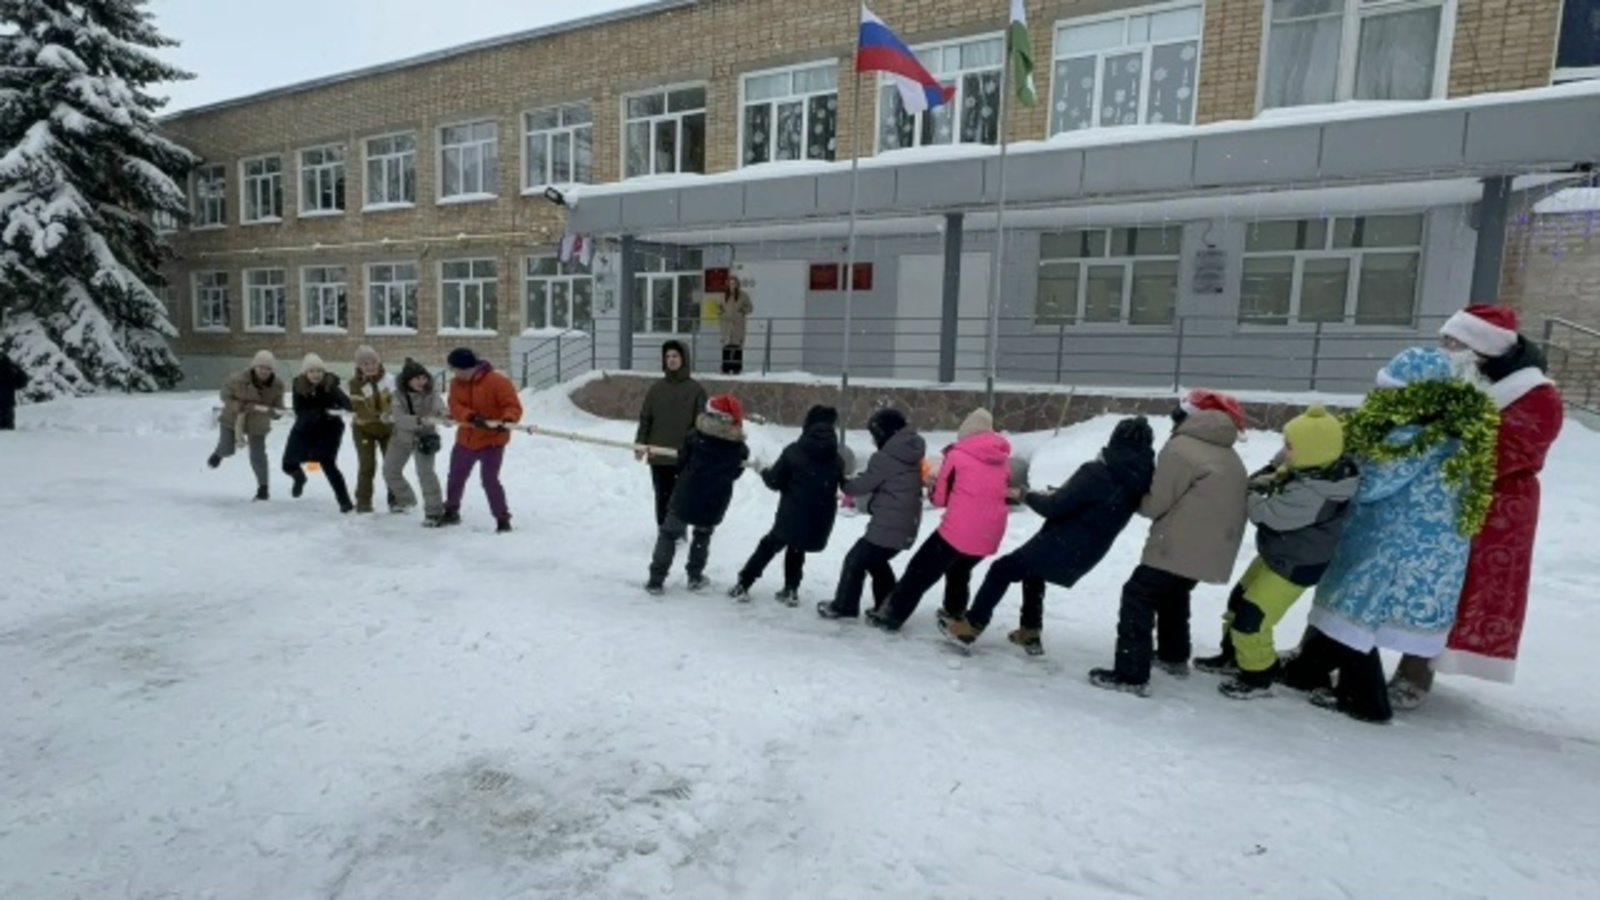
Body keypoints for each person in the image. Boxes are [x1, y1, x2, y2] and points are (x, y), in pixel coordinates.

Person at [1282, 347, 1499, 724]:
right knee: (1350, 612)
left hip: (1391, 549)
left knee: (1358, 618)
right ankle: (1309, 669)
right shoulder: (1457, 435)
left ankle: (1364, 700)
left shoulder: (1410, 437)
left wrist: (1337, 467)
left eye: (1389, 390)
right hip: (1430, 552)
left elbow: (1370, 485)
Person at [1391, 305, 1565, 704]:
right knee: (1422, 579)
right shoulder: (1458, 379)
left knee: (1458, 586)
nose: (1444, 349)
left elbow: (1513, 450)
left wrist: (1444, 441)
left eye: (1452, 342)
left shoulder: (1535, 394)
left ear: (1480, 349)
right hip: (1439, 495)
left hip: (1495, 504)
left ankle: (1416, 672)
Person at [941, 416, 1156, 656]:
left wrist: (1025, 495)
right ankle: (1030, 631)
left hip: (1062, 542)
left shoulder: (1098, 472)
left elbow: (1053, 507)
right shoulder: (1140, 481)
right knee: (1033, 573)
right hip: (1089, 550)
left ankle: (971, 626)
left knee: (1001, 570)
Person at [1088, 389, 1249, 697]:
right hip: (1214, 548)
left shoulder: (1181, 449)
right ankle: (1173, 656)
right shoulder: (1227, 452)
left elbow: (1154, 504)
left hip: (1178, 543)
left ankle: (1131, 674)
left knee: (1138, 594)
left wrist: (1129, 491)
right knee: (1174, 593)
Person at [1193, 405, 1360, 700]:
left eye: (1290, 446)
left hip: (1295, 564)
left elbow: (1266, 514)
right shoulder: (1314, 468)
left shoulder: (1316, 494)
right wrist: (1268, 476)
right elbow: (1281, 469)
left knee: (1253, 618)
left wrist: (1249, 493)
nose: (1285, 451)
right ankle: (1233, 655)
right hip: (1279, 552)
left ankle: (1258, 675)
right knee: (1239, 600)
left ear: (1312, 450)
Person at [870, 409, 1012, 632]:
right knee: (959, 567)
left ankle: (891, 615)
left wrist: (933, 484)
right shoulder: (1002, 460)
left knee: (920, 570)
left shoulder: (957, 455)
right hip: (992, 532)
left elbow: (939, 499)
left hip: (960, 529)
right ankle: (954, 611)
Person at [727, 404, 846, 606]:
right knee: (797, 548)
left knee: (769, 546)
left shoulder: (794, 451)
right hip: (819, 516)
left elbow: (774, 482)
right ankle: (791, 589)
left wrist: (763, 469)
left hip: (793, 513)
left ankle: (743, 583)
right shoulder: (836, 458)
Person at [818, 408, 925, 620]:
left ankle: (844, 606)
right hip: (905, 526)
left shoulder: (885, 457)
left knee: (855, 560)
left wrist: (844, 482)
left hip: (889, 526)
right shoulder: (910, 452)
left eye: (874, 435)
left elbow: (861, 486)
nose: (873, 441)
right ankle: (886, 607)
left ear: (883, 433)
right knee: (876, 562)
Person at [647, 395, 750, 595]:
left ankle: (655, 581)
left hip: (685, 495)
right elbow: (735, 473)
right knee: (702, 535)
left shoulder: (694, 437)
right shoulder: (739, 448)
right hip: (714, 499)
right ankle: (695, 577)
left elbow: (682, 463)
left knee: (668, 535)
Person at [437, 347, 523, 533]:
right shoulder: (456, 384)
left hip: (492, 441)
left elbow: (512, 406)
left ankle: (502, 520)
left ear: (470, 367)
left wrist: (506, 420)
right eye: (454, 371)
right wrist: (471, 417)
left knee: (489, 480)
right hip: (465, 439)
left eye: (458, 370)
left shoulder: (498, 382)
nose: (456, 374)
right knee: (456, 477)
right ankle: (451, 511)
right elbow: (454, 405)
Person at [636, 340, 708, 526]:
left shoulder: (696, 390)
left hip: (683, 456)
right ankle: (663, 532)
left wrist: (694, 450)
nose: (671, 360)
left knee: (681, 499)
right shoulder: (656, 389)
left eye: (675, 355)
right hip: (658, 454)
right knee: (662, 496)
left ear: (683, 358)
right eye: (668, 356)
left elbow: (701, 425)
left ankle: (677, 531)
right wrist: (640, 443)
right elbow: (645, 419)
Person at [208, 349, 287, 501]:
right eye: (261, 367)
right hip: (233, 419)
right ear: (254, 367)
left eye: (268, 368)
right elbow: (225, 396)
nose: (264, 371)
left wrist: (274, 413)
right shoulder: (237, 379)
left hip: (258, 422)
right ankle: (218, 454)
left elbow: (279, 409)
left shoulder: (277, 385)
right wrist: (238, 405)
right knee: (227, 449)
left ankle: (263, 489)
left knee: (258, 456)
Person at [282, 353, 355, 513]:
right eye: (312, 371)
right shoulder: (298, 385)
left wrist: (339, 408)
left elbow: (348, 404)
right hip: (305, 428)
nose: (316, 374)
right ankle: (299, 477)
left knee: (327, 463)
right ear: (305, 373)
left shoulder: (330, 384)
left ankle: (344, 501)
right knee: (288, 464)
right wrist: (319, 412)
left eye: (319, 371)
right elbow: (299, 410)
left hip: (329, 429)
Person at [384, 358, 448, 526]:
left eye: (423, 378)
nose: (422, 382)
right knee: (390, 471)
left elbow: (439, 406)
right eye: (416, 378)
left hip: (425, 440)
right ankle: (406, 500)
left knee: (426, 474)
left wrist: (444, 415)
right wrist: (419, 420)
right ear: (407, 381)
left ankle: (434, 513)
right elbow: (399, 418)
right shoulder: (398, 396)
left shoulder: (431, 394)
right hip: (401, 438)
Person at [348, 345, 397, 514]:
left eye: (373, 362)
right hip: (364, 428)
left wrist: (390, 413)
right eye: (365, 364)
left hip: (387, 429)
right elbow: (359, 407)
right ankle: (363, 502)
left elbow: (397, 402)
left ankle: (395, 500)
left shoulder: (390, 380)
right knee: (367, 465)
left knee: (391, 466)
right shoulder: (355, 383)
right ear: (359, 366)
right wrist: (378, 415)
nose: (370, 366)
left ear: (379, 362)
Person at [717, 275, 755, 375]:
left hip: (738, 324)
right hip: (726, 324)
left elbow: (750, 308)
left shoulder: (743, 295)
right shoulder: (723, 295)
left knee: (737, 346)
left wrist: (742, 312)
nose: (732, 285)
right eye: (730, 283)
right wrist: (721, 313)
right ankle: (726, 368)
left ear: (737, 284)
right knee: (726, 346)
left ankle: (737, 368)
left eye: (734, 283)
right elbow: (718, 307)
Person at [0, 350, 28, 431]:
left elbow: (22, 381)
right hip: (8, 402)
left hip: (7, 402)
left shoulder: (11, 367)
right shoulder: (11, 367)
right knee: (8, 428)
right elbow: (22, 381)